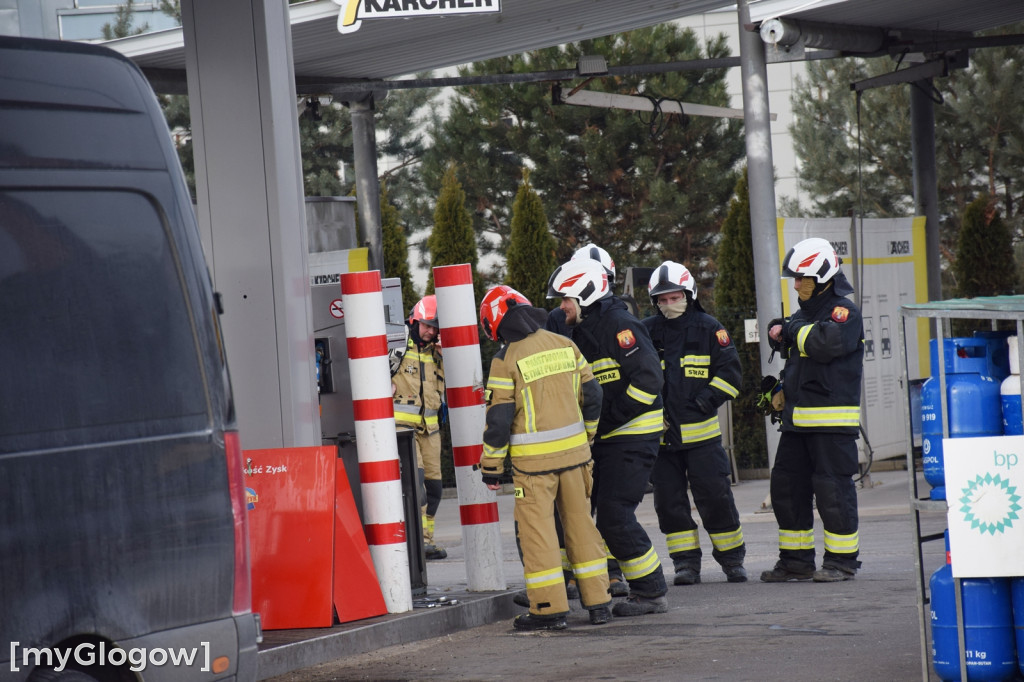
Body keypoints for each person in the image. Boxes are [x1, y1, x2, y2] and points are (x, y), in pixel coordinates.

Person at [478, 285, 612, 631]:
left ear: (493, 323)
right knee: (582, 527)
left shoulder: (505, 360)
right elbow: (593, 395)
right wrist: (588, 435)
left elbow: (499, 421)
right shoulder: (565, 344)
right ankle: (599, 604)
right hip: (576, 456)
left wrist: (491, 467)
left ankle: (549, 610)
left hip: (533, 467)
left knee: (539, 534)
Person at [547, 257, 669, 617]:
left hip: (633, 436)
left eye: (566, 299)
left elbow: (649, 381)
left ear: (585, 294)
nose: (561, 306)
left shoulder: (620, 325)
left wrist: (610, 420)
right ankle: (594, 587)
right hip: (609, 439)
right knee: (584, 513)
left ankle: (651, 592)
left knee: (615, 515)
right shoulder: (583, 328)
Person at [760, 237, 865, 583]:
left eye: (803, 278)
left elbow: (825, 343)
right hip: (796, 424)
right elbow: (801, 346)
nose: (797, 284)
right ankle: (796, 561)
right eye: (795, 278)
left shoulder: (843, 312)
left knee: (832, 492)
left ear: (823, 278)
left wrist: (789, 330)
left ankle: (841, 561)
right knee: (786, 488)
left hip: (831, 426)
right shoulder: (803, 316)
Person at [642, 261, 747, 586]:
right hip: (662, 441)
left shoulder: (708, 328)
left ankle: (732, 562)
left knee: (716, 499)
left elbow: (732, 376)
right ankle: (686, 564)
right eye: (662, 299)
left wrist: (704, 401)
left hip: (702, 439)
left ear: (688, 295)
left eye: (674, 297)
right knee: (670, 505)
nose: (669, 304)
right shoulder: (647, 331)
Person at [391, 295, 448, 560]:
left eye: (435, 327)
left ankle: (427, 540)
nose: (430, 331)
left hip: (431, 430)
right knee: (417, 486)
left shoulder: (437, 353)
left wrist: (446, 357)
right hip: (404, 431)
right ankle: (417, 542)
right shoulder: (398, 347)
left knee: (435, 488)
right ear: (414, 320)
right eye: (426, 325)